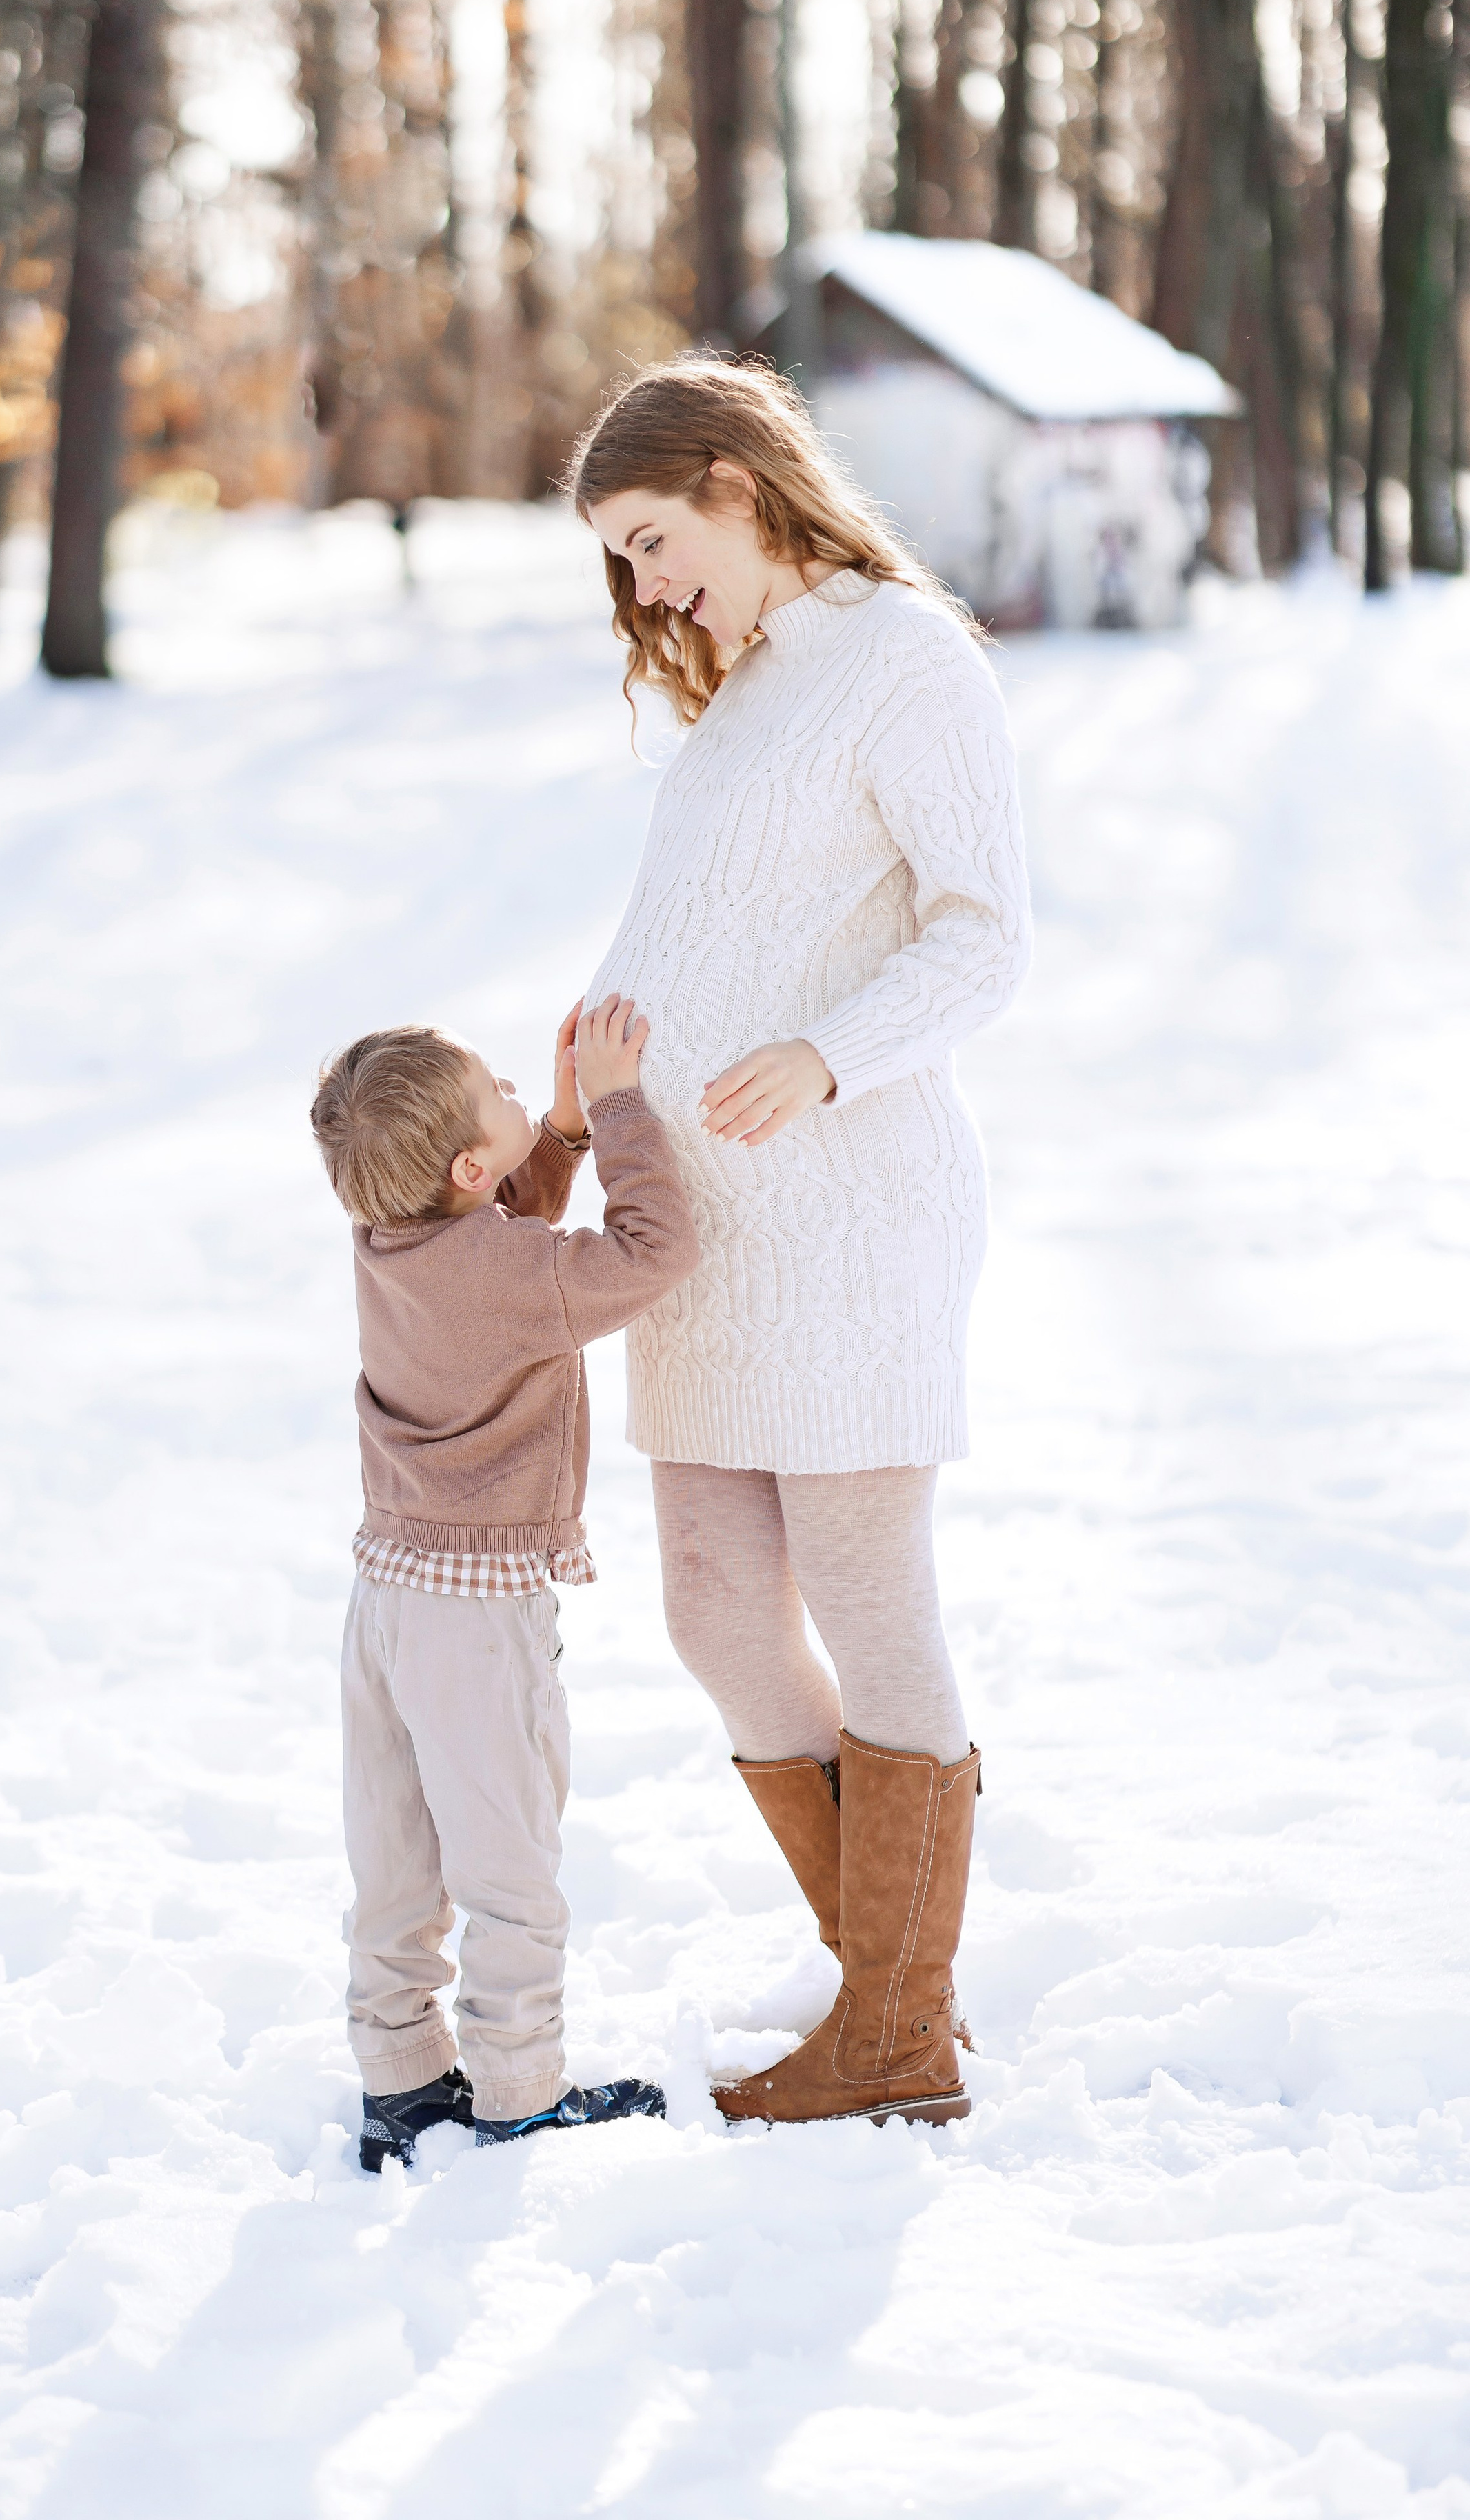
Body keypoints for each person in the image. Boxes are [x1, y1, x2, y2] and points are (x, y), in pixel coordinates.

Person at [566, 358, 1032, 2130]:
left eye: (654, 539)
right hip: (702, 1226)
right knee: (710, 1612)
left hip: (849, 1209)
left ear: (739, 485)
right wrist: (587, 1082)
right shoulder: (747, 691)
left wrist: (828, 1055)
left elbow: (986, 937)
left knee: (860, 1590)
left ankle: (895, 2033)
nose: (644, 585)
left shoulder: (906, 662)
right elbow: (691, 928)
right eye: (618, 559)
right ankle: (893, 1995)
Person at [310, 995, 698, 2168]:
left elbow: (497, 1233)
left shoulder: (393, 1241)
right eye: (507, 1095)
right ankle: (520, 2084)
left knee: (398, 1857)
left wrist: (558, 1131)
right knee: (509, 1859)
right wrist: (621, 1108)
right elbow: (654, 1253)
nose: (527, 1094)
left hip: (384, 1598)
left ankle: (400, 2077)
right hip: (478, 1617)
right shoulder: (504, 1269)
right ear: (474, 1163)